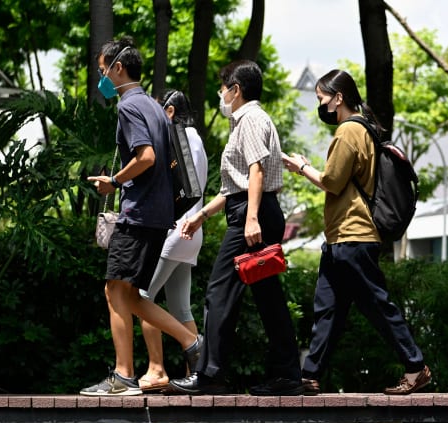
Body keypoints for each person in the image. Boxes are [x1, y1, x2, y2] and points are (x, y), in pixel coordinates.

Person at [281, 70, 431, 395]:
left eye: (322, 99)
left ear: (338, 97)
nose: (320, 105)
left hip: (354, 236)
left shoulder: (349, 130)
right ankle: (309, 376)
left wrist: (301, 167)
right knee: (328, 309)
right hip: (341, 239)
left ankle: (416, 367)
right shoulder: (363, 128)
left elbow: (332, 182)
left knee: (378, 307)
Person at [170, 60, 302, 396]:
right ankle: (287, 375)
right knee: (268, 297)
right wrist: (203, 215)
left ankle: (210, 375)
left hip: (253, 213)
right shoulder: (245, 121)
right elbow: (234, 187)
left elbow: (255, 172)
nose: (221, 94)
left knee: (218, 293)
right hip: (251, 208)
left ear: (236, 90)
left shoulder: (251, 119)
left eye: (224, 87)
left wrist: (252, 218)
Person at [81, 38, 202, 397]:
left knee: (115, 290)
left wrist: (113, 181)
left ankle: (123, 375)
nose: (102, 77)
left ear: (118, 68)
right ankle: (193, 344)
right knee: (131, 295)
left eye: (103, 71)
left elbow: (147, 157)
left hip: (138, 215)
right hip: (159, 215)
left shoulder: (129, 107)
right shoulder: (153, 105)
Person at [137, 90, 208, 392]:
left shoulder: (176, 135)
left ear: (168, 111)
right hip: (192, 231)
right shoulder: (197, 139)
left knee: (140, 297)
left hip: (176, 229)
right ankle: (198, 373)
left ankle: (157, 370)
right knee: (181, 308)